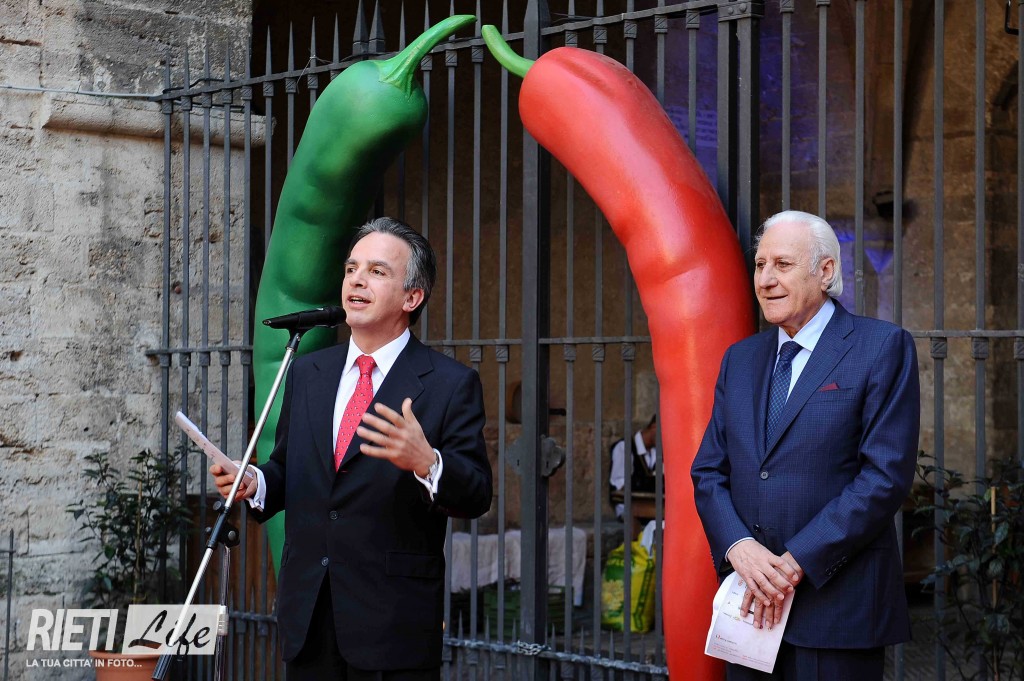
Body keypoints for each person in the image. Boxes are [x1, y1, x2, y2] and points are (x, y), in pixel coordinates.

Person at [213, 217, 493, 681]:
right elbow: (289, 468)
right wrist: (254, 482)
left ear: (412, 297)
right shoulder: (309, 373)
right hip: (309, 616)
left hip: (392, 624)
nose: (357, 280)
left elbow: (477, 493)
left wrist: (428, 463)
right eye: (351, 268)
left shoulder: (449, 384)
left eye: (377, 271)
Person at [690, 210, 919, 681]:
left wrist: (795, 562)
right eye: (760, 265)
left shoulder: (881, 347)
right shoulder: (740, 359)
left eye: (783, 264)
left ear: (826, 271)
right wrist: (738, 547)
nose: (766, 279)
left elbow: (884, 477)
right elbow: (708, 471)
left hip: (837, 611)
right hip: (748, 609)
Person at [608, 414, 658, 518]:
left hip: (654, 507)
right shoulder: (624, 448)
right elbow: (619, 484)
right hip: (628, 508)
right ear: (654, 427)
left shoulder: (657, 453)